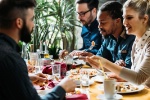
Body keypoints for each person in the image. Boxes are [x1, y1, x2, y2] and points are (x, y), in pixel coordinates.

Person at [0, 0, 76, 100]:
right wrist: (62, 88)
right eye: (31, 19)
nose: (33, 25)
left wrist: (26, 79)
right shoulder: (10, 58)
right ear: (19, 22)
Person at [86, 0, 150, 87]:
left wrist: (105, 63)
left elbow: (139, 78)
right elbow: (134, 75)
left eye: (129, 18)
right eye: (124, 18)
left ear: (145, 19)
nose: (124, 22)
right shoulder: (137, 40)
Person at [80, 1, 135, 69]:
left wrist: (114, 66)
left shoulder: (132, 39)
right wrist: (91, 58)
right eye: (98, 23)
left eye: (103, 23)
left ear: (117, 21)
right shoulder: (108, 38)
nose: (99, 26)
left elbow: (129, 70)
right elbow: (99, 61)